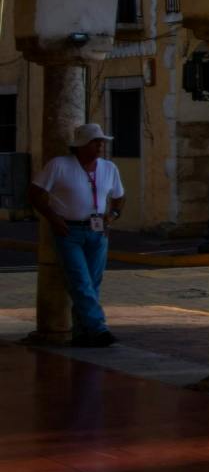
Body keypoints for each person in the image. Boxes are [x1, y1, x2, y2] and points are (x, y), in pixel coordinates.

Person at [29, 123, 126, 348]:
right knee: (80, 282)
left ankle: (83, 334)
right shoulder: (59, 166)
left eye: (102, 141)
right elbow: (35, 193)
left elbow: (120, 196)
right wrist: (53, 218)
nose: (101, 145)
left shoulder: (109, 168)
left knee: (92, 283)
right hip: (69, 231)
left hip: (97, 231)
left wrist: (112, 215)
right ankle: (99, 328)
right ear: (81, 145)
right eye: (95, 141)